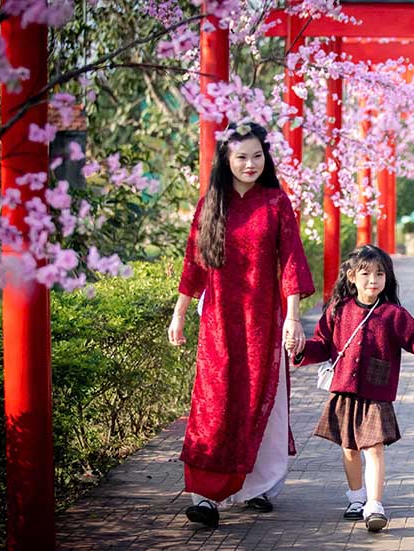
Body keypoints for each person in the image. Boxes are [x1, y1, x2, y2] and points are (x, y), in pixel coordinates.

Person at [168, 122, 315, 529]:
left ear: (265, 159)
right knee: (214, 403)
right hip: (219, 321)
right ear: (226, 161)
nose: (250, 164)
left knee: (261, 399)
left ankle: (258, 487)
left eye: (256, 156)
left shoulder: (276, 203)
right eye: (240, 157)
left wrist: (293, 319)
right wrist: (179, 312)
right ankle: (206, 495)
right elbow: (193, 266)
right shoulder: (210, 205)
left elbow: (290, 262)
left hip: (264, 321)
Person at [293, 245, 414, 532]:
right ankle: (356, 498)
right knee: (349, 449)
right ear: (351, 277)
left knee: (375, 449)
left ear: (387, 278)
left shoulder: (394, 314)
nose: (373, 280)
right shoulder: (338, 310)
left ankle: (374, 504)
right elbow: (322, 343)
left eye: (380, 273)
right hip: (344, 391)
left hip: (376, 394)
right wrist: (300, 350)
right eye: (365, 273)